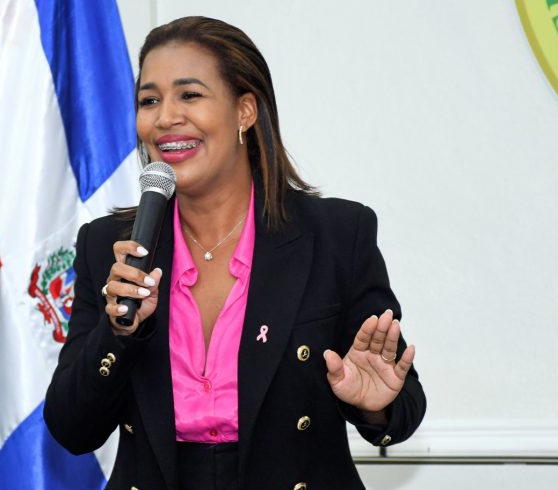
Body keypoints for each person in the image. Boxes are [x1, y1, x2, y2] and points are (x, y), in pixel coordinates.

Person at [45, 16, 425, 490]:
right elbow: (71, 428)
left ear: (245, 111)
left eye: (189, 95)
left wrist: (374, 405)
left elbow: (402, 403)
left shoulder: (336, 235)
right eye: (149, 100)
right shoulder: (110, 247)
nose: (165, 118)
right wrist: (119, 333)